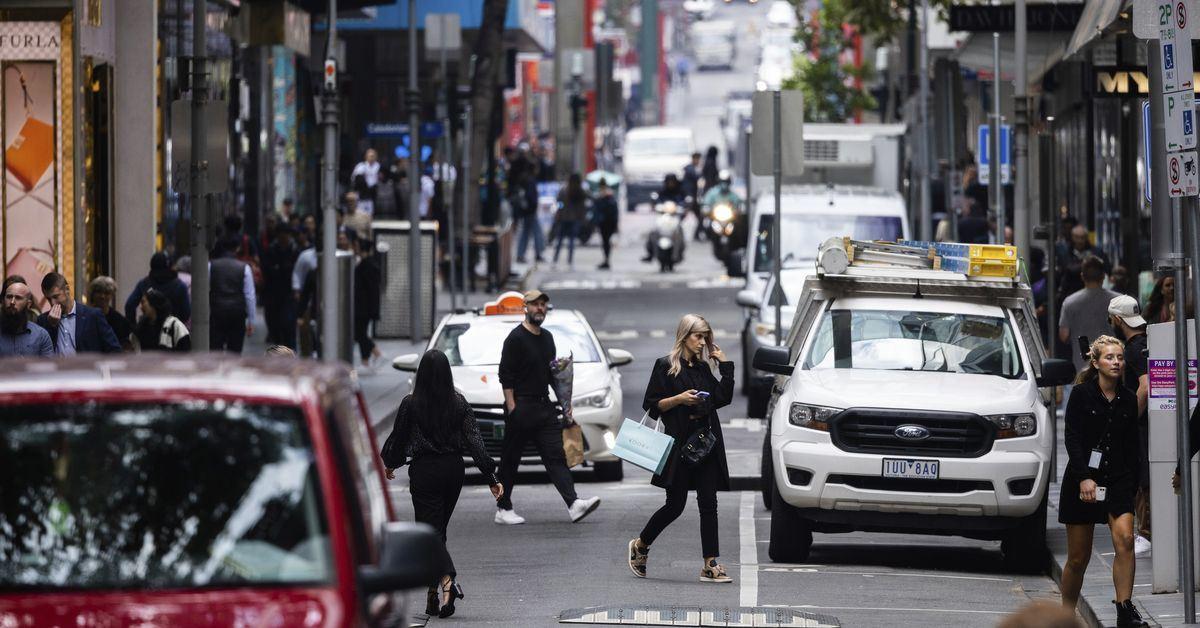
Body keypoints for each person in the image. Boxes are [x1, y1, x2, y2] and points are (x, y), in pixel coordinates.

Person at [380, 350, 504, 619]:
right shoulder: (458, 403)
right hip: (453, 471)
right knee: (438, 530)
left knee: (431, 532)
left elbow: (399, 438)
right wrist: (491, 477)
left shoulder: (411, 403)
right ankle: (432, 597)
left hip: (425, 472)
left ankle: (448, 583)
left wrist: (391, 462)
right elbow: (475, 441)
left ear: (420, 374)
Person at [628, 314, 735, 584]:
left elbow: (722, 398)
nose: (702, 342)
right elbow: (652, 406)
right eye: (698, 336)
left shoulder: (701, 369)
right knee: (675, 506)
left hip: (705, 444)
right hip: (678, 446)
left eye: (705, 337)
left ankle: (710, 564)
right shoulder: (665, 366)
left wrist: (725, 367)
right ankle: (640, 544)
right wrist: (678, 399)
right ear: (685, 335)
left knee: (709, 504)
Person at [1058, 335, 1147, 628]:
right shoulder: (1082, 394)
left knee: (1124, 541)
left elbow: (1133, 445)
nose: (1117, 362)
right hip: (1084, 477)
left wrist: (1136, 484)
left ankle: (1124, 610)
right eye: (1110, 357)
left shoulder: (1128, 399)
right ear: (1095, 362)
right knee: (1078, 558)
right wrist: (1084, 477)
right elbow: (1071, 437)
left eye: (1120, 357)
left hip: (1118, 478)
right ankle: (1065, 614)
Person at [494, 290, 601, 525]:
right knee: (510, 460)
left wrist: (565, 406)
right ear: (526, 307)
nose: (540, 308)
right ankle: (503, 508)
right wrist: (512, 406)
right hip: (521, 407)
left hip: (544, 407)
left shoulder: (547, 338)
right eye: (535, 304)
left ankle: (573, 504)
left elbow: (551, 375)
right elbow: (505, 375)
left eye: (543, 305)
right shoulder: (515, 339)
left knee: (556, 456)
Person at [1108, 295, 1151, 557]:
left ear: (1117, 319)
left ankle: (1145, 534)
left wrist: (1128, 418)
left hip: (1144, 422)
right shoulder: (1147, 341)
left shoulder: (1134, 348)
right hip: (1153, 420)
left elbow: (1145, 385)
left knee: (1142, 474)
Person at [1059, 256, 1120, 375]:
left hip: (1082, 369)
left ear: (1082, 276)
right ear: (1103, 277)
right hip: (1112, 368)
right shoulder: (1118, 300)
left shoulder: (1070, 302)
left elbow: (1064, 336)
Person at [37, 273, 121, 355]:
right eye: (48, 299)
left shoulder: (92, 315)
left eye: (56, 297)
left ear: (67, 290)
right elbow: (41, 353)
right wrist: (51, 326)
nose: (52, 303)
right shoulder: (44, 320)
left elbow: (114, 350)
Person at [209, 237, 256, 354]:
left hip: (216, 311)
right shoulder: (244, 268)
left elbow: (205, 289)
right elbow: (250, 295)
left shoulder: (211, 266)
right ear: (237, 249)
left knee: (215, 349)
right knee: (235, 350)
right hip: (237, 313)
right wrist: (251, 320)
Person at [125, 252, 191, 325]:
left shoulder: (144, 283)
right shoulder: (180, 286)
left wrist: (134, 326)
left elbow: (129, 305)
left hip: (148, 329)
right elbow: (186, 314)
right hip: (172, 330)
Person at [262, 224, 299, 349]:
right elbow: (267, 270)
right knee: (274, 326)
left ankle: (290, 353)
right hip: (273, 294)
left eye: (286, 235)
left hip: (289, 294)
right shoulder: (270, 250)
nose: (284, 237)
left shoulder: (295, 250)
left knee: (288, 326)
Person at [0, 278, 53, 357]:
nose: (12, 302)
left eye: (18, 298)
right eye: (9, 297)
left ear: (28, 304)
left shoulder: (40, 336)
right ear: (3, 300)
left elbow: (47, 367)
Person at [1057, 225, 1109, 303]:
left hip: (1093, 292)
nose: (1080, 241)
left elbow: (1106, 269)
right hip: (1070, 292)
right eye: (1077, 237)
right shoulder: (1064, 252)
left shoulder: (1096, 252)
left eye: (1082, 237)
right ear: (1072, 237)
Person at [353, 236, 383, 368]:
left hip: (363, 307)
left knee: (359, 332)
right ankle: (365, 359)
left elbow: (371, 290)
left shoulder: (368, 265)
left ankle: (375, 352)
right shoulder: (366, 264)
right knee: (361, 332)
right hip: (363, 306)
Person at [134, 288, 191, 352]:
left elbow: (186, 351)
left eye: (143, 302)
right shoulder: (141, 327)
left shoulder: (174, 325)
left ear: (153, 303)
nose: (141, 307)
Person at [87, 276, 133, 352]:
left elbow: (125, 348)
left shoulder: (121, 322)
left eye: (106, 293)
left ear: (111, 295)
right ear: (93, 294)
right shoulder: (84, 317)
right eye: (99, 292)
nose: (102, 296)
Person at [553, 173, 589, 268]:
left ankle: (555, 260)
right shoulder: (580, 191)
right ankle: (570, 261)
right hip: (574, 219)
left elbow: (559, 203)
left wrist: (559, 211)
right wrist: (582, 218)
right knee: (571, 241)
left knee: (560, 240)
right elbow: (582, 207)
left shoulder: (564, 190)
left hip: (563, 218)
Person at [592, 178, 620, 270]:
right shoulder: (608, 195)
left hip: (605, 222)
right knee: (606, 242)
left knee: (605, 242)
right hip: (609, 222)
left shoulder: (602, 196)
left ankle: (606, 260)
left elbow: (598, 210)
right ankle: (606, 260)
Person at [351, 148, 381, 215]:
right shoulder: (361, 166)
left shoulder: (378, 166)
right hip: (362, 193)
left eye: (373, 156)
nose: (372, 158)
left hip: (373, 192)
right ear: (366, 156)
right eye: (370, 156)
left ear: (376, 157)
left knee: (370, 212)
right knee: (361, 212)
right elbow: (355, 179)